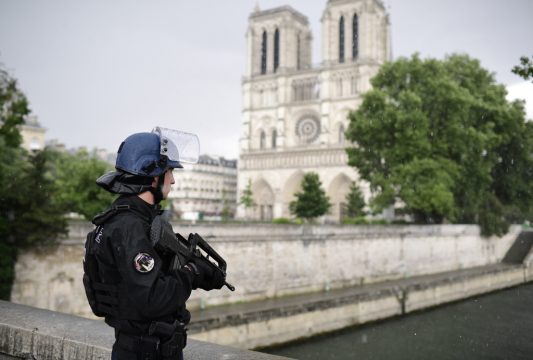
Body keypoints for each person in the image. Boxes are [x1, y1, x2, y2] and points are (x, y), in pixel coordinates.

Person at [83, 127, 225, 360]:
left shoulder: (123, 219)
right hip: (147, 352)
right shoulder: (132, 227)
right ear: (153, 176)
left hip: (138, 347)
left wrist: (195, 273)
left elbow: (142, 284)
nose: (174, 180)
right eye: (169, 171)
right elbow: (153, 299)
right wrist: (191, 272)